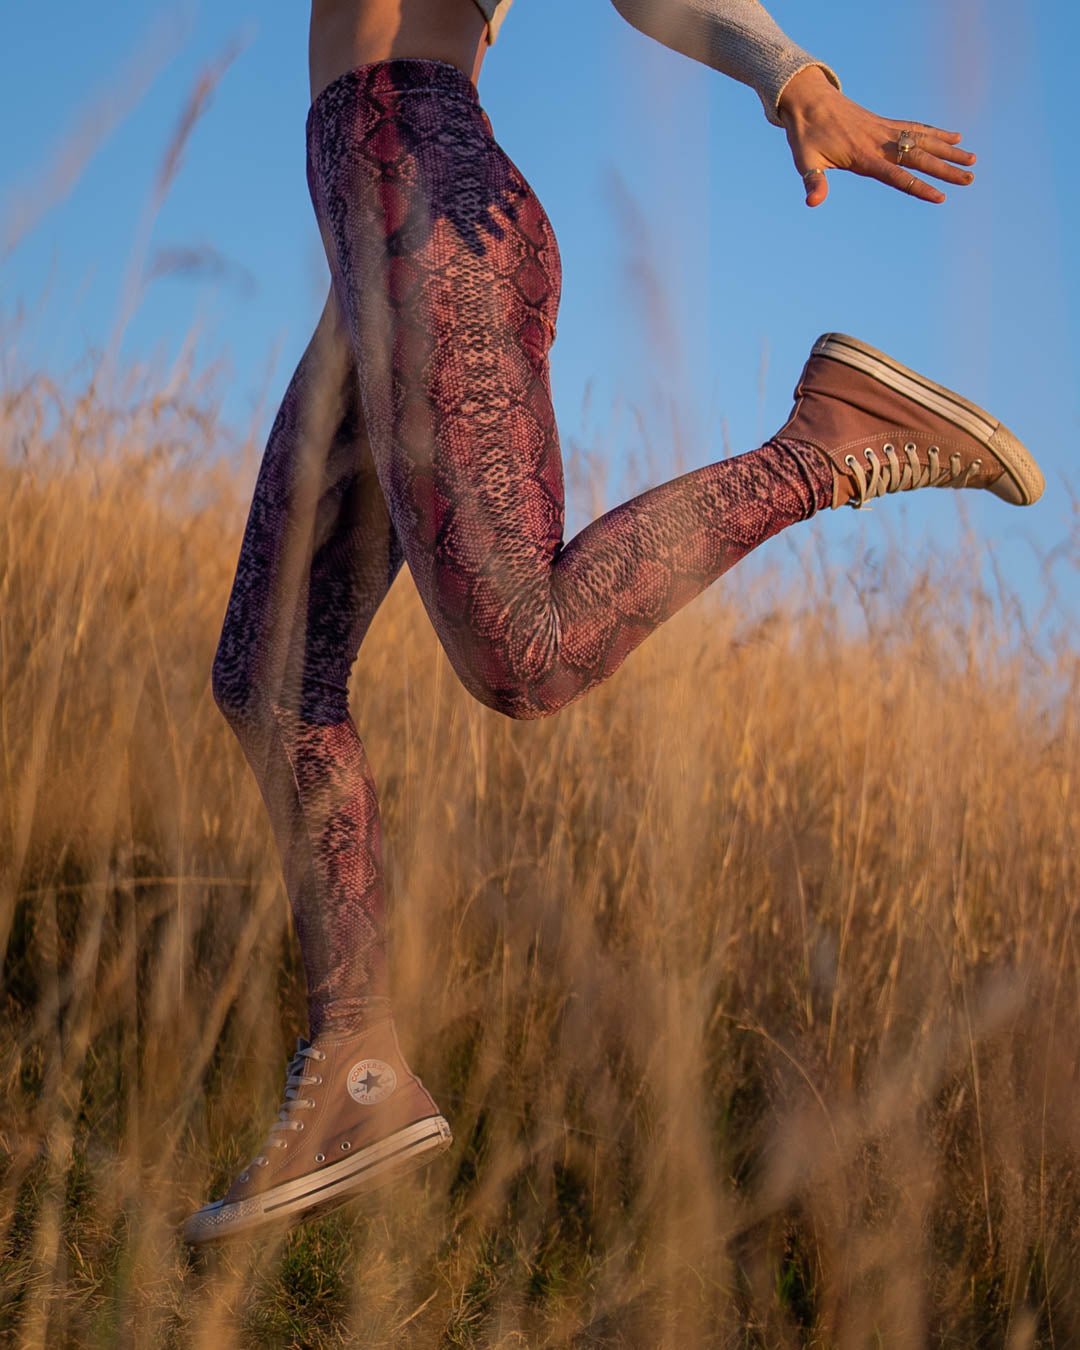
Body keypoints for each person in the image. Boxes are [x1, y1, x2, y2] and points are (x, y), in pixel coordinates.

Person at [182, 0, 1044, 1244]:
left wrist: (787, 71)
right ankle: (357, 1069)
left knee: (523, 653)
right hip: (376, 230)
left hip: (426, 199)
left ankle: (830, 441)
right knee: (270, 675)